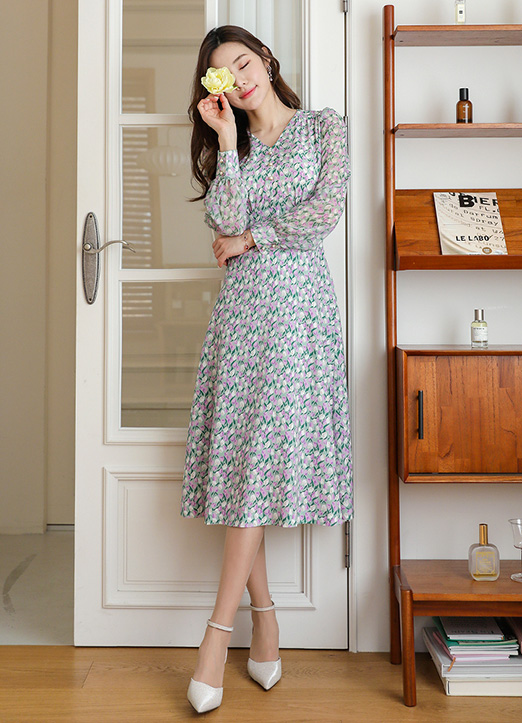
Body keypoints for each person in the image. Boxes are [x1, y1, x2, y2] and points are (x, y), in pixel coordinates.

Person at [180, 25, 353, 714]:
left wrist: (253, 236)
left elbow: (326, 212)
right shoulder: (238, 147)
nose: (240, 78)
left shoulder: (323, 127)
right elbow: (222, 221)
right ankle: (266, 620)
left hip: (299, 314)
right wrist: (225, 141)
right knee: (243, 465)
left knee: (253, 467)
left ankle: (216, 637)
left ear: (267, 60)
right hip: (243, 316)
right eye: (223, 74)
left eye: (244, 63)